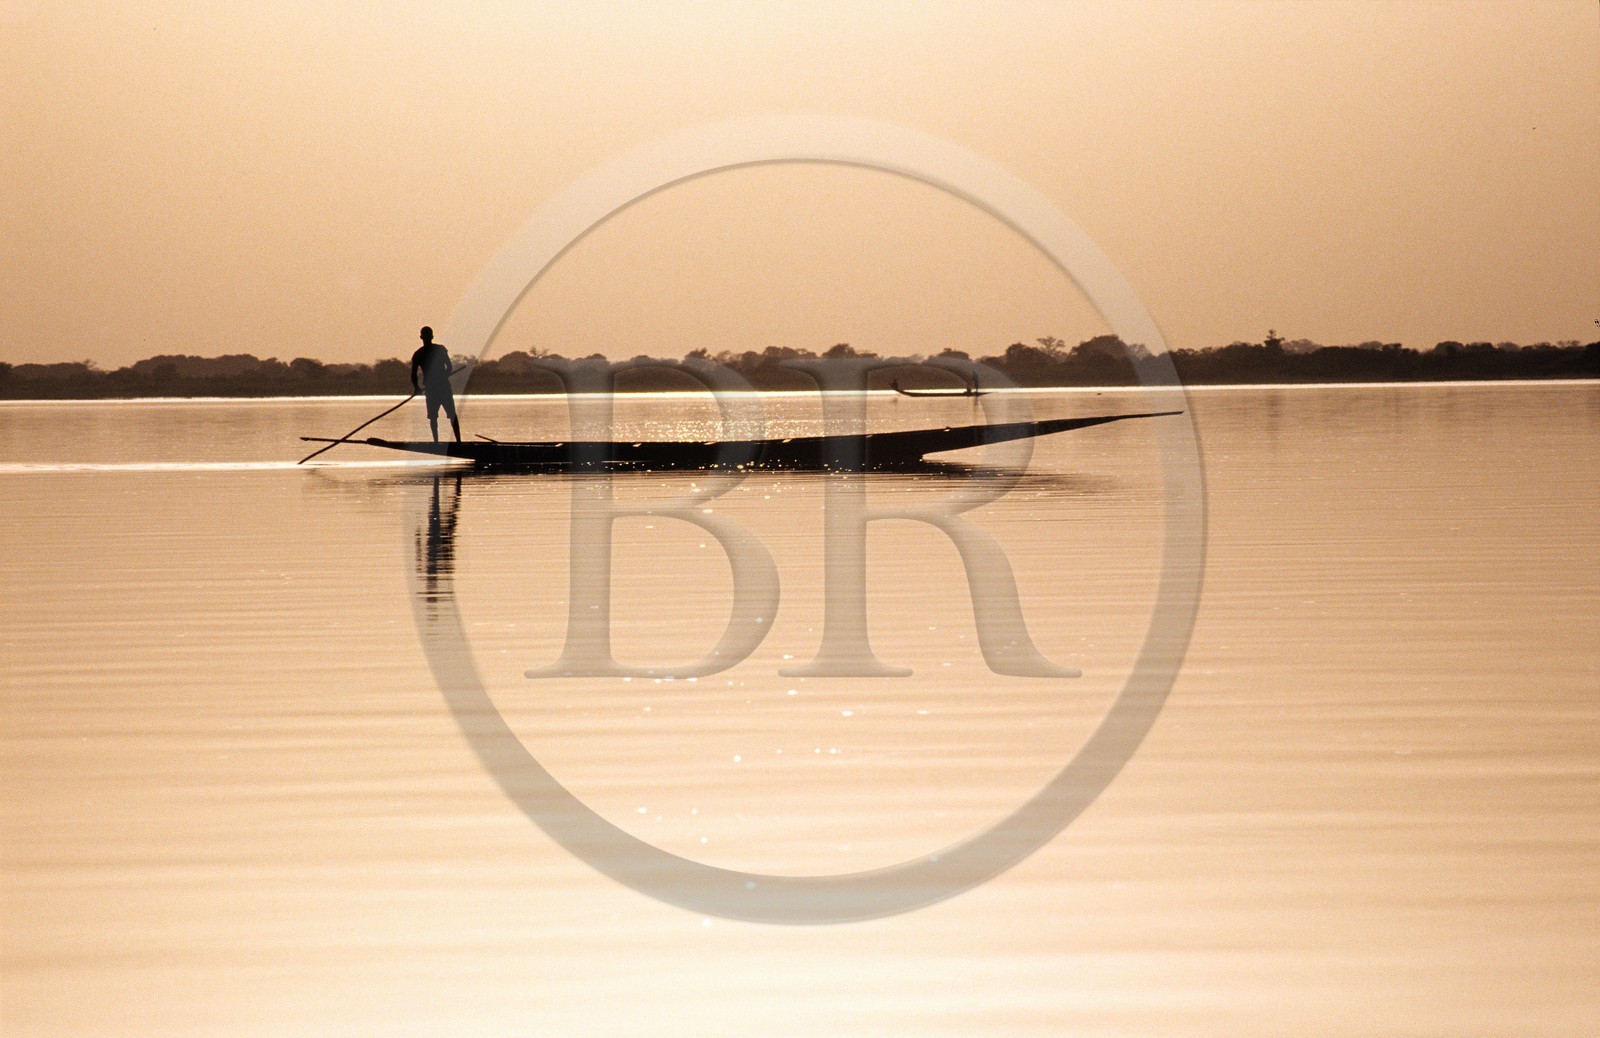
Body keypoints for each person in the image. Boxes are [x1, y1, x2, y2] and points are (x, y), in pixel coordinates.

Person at [409, 326, 460, 442]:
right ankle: (437, 442)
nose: (426, 338)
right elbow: (413, 374)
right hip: (433, 389)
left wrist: (443, 376)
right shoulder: (419, 354)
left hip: (442, 387)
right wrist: (416, 388)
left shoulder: (438, 350)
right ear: (422, 337)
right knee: (434, 417)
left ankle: (457, 442)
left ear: (429, 337)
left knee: (450, 415)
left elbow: (449, 367)